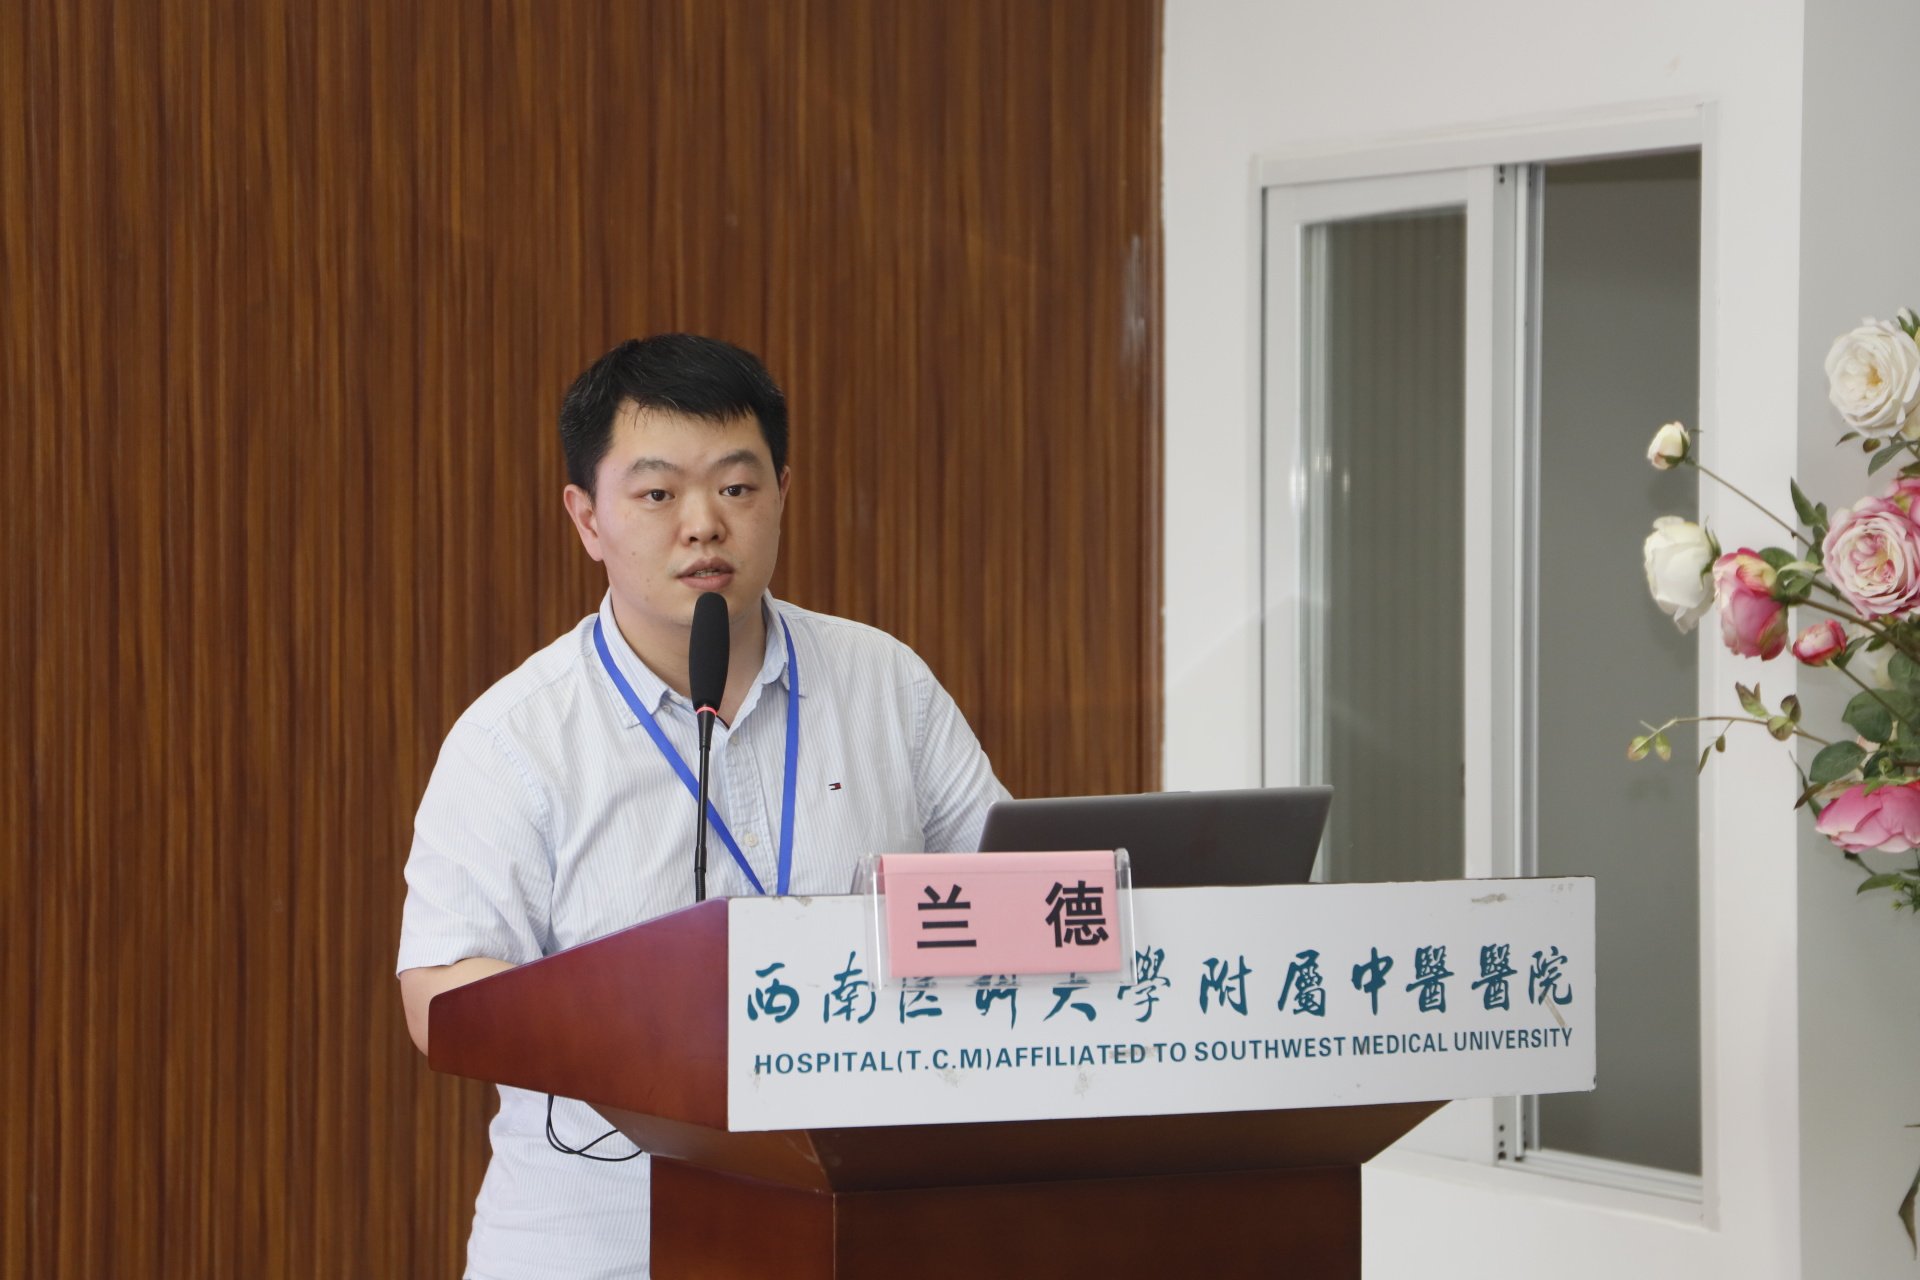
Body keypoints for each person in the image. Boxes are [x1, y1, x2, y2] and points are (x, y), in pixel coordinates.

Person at [394, 334, 1009, 1280]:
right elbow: (439, 995)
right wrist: (644, 1020)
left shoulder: (886, 684)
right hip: (603, 1245)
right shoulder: (515, 737)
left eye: (737, 486)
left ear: (782, 495)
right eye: (657, 494)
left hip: (859, 1232)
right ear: (587, 517)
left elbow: (1013, 899)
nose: (704, 525)